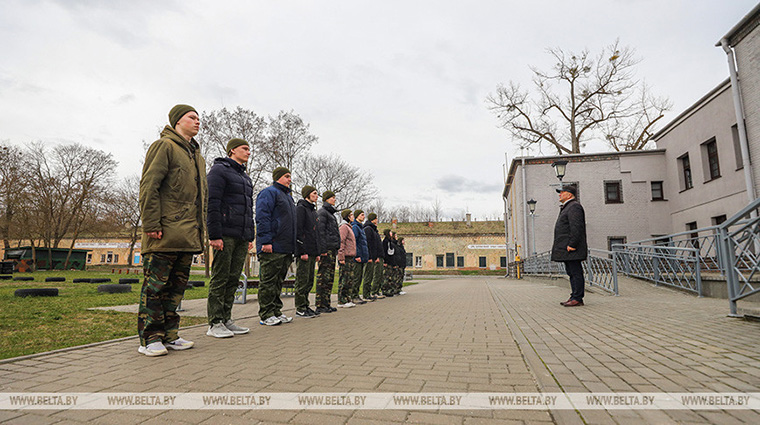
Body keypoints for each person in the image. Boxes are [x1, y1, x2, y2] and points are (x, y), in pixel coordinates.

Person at [137, 104, 207, 356]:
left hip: (187, 235)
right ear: (178, 121)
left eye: (199, 118)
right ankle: (150, 338)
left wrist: (201, 233)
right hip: (164, 232)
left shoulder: (197, 156)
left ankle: (169, 335)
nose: (198, 121)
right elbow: (149, 187)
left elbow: (200, 200)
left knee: (176, 289)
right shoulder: (164, 146)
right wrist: (152, 224)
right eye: (192, 117)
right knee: (156, 288)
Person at [205, 138, 255, 338]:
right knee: (220, 277)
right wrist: (214, 234)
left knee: (233, 279)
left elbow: (248, 209)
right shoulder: (219, 171)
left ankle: (226, 319)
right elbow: (213, 203)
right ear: (232, 150)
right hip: (224, 234)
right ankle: (214, 323)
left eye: (249, 149)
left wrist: (249, 235)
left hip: (241, 235)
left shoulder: (245, 178)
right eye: (245, 149)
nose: (248, 152)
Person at [255, 167, 297, 325]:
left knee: (279, 281)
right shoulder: (269, 193)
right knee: (268, 282)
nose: (289, 179)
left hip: (285, 247)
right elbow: (262, 216)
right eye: (286, 176)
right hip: (272, 246)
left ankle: (276, 311)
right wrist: (266, 241)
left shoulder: (288, 197)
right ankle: (266, 314)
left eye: (290, 176)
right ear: (278, 177)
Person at [551, 184, 588, 307]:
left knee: (575, 272)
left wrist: (572, 244)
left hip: (572, 248)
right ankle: (574, 296)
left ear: (569, 194)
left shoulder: (574, 207)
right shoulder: (568, 207)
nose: (559, 194)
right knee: (571, 272)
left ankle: (577, 298)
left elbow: (577, 227)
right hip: (567, 248)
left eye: (562, 192)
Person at [295, 185, 321, 318]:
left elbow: (315, 233)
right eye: (314, 193)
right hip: (304, 252)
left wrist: (317, 252)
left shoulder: (313, 212)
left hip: (312, 251)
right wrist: (302, 251)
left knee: (310, 280)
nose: (317, 196)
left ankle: (306, 305)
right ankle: (300, 307)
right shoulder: (301, 209)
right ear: (307, 195)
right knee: (302, 280)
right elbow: (299, 231)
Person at [315, 190, 340, 314]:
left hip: (332, 249)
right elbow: (321, 232)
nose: (335, 200)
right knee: (323, 277)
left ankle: (326, 303)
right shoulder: (322, 213)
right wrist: (323, 250)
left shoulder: (331, 214)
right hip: (326, 250)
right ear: (327, 199)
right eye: (333, 198)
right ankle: (320, 304)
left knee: (329, 278)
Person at [337, 209, 357, 308]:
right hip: (345, 257)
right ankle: (341, 300)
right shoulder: (344, 227)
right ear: (348, 217)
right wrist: (341, 257)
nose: (353, 217)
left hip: (350, 257)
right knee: (344, 279)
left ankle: (347, 299)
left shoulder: (350, 227)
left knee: (349, 279)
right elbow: (341, 242)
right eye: (351, 215)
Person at [363, 212, 384, 300]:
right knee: (368, 276)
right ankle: (367, 294)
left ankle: (372, 292)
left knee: (373, 275)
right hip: (370, 257)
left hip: (374, 256)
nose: (377, 220)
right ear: (373, 219)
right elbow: (369, 244)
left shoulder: (374, 230)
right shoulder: (368, 229)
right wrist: (370, 257)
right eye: (376, 218)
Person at [351, 209, 369, 304]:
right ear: (357, 216)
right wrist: (357, 255)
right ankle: (353, 296)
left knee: (359, 277)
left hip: (362, 257)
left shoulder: (361, 227)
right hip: (357, 257)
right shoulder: (355, 227)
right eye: (362, 215)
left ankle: (356, 295)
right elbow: (354, 242)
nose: (363, 216)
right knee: (356, 277)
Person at [382, 229, 396, 297]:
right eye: (390, 232)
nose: (391, 233)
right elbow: (385, 252)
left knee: (390, 277)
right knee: (386, 277)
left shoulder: (390, 241)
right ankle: (385, 290)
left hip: (391, 262)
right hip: (387, 262)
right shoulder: (385, 241)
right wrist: (385, 261)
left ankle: (390, 290)